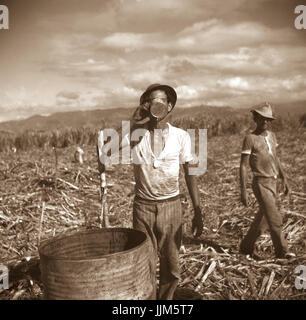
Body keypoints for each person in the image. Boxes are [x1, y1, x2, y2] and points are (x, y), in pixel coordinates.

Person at [97, 83, 204, 300]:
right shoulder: (136, 134)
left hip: (171, 206)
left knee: (171, 264)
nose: (155, 105)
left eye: (159, 100)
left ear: (169, 105)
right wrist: (134, 119)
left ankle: (165, 301)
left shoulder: (181, 136)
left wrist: (198, 209)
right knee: (143, 263)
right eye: (150, 101)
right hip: (143, 207)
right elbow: (106, 148)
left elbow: (190, 173)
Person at [239, 102, 295, 259]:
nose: (265, 122)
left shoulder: (272, 136)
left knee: (263, 219)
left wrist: (284, 179)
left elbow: (275, 159)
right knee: (274, 218)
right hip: (261, 183)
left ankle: (246, 246)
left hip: (273, 181)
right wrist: (243, 191)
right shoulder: (250, 138)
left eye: (267, 119)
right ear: (255, 118)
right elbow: (243, 166)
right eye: (261, 118)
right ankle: (282, 252)